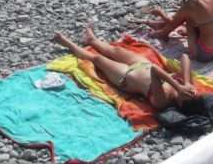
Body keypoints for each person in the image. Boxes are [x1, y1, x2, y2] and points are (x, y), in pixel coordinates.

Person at [52, 27, 201, 111]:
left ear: (181, 103)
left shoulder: (163, 101)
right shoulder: (187, 89)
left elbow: (155, 71)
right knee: (114, 51)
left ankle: (66, 43)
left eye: (186, 95)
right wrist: (187, 82)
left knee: (97, 59)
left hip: (126, 77)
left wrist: (177, 86)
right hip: (142, 64)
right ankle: (93, 41)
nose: (187, 92)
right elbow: (184, 57)